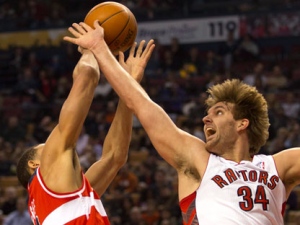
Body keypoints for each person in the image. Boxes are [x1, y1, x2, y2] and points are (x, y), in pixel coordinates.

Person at [63, 20, 300, 225]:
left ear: (242, 124)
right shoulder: (198, 159)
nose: (205, 117)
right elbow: (142, 105)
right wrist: (100, 48)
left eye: (218, 112)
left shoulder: (277, 166)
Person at [16, 39, 153, 224]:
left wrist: (129, 85)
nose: (51, 145)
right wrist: (90, 48)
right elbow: (87, 75)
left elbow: (115, 157)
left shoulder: (57, 200)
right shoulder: (47, 177)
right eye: (45, 147)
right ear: (34, 165)